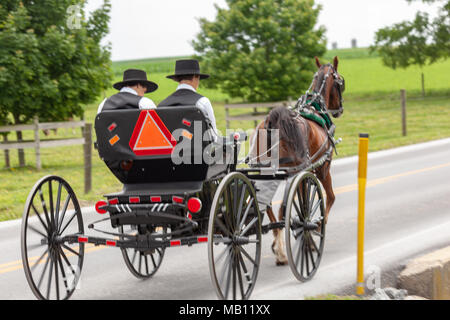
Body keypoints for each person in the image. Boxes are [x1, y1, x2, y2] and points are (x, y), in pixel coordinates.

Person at [158, 59, 217, 133]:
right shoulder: (202, 102)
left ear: (176, 79)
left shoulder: (161, 105)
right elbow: (214, 136)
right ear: (196, 77)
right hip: (198, 144)